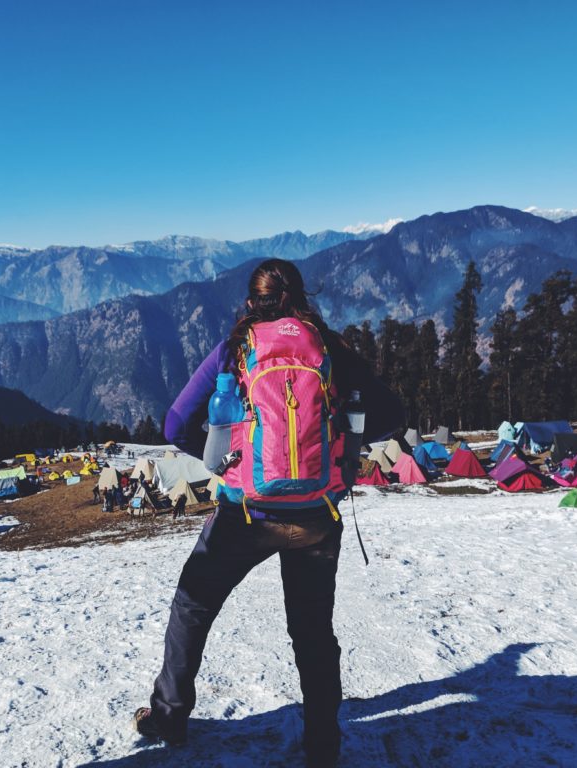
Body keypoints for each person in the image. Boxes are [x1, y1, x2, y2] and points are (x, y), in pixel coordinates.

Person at [133, 259, 403, 766]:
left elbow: (174, 424)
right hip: (317, 514)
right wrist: (343, 444)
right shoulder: (328, 348)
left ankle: (169, 714)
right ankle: (323, 747)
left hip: (246, 512)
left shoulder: (236, 349)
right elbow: (393, 416)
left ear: (250, 302)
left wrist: (227, 462)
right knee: (312, 634)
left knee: (192, 607)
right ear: (301, 297)